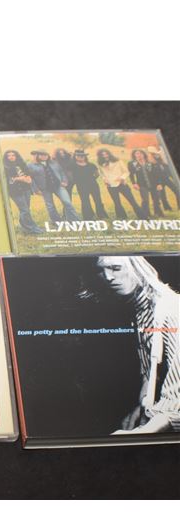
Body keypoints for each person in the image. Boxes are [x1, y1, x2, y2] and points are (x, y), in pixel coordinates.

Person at [95, 256, 179, 434]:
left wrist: (142, 433)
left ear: (138, 267)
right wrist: (142, 408)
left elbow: (176, 398)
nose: (108, 277)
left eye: (116, 268)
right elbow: (151, 370)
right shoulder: (141, 309)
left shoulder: (170, 309)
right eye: (101, 270)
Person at [27, 149, 80, 222]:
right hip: (45, 188)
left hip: (58, 186)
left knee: (67, 202)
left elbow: (61, 172)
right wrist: (36, 189)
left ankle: (74, 220)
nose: (44, 156)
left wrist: (64, 181)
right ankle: (56, 221)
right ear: (37, 156)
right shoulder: (30, 165)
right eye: (41, 155)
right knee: (50, 206)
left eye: (45, 155)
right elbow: (30, 178)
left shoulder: (54, 163)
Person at [96, 148, 145, 219]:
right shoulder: (100, 164)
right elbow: (102, 174)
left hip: (122, 184)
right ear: (100, 156)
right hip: (110, 186)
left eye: (106, 154)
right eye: (102, 155)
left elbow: (126, 171)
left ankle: (143, 217)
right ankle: (122, 217)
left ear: (109, 153)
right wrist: (105, 180)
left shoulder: (118, 161)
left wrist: (122, 178)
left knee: (132, 201)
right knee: (117, 203)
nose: (105, 156)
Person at [2, 150, 42, 234]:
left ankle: (24, 226)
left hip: (26, 189)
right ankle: (31, 229)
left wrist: (28, 178)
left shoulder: (21, 164)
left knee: (26, 209)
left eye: (13, 155)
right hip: (15, 191)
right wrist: (19, 179)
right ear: (6, 157)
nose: (11, 157)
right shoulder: (5, 167)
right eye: (9, 155)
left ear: (16, 156)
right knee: (24, 210)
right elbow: (8, 180)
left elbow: (28, 174)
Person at [69, 149, 109, 219]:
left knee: (98, 200)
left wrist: (92, 179)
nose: (81, 157)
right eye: (78, 156)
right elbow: (70, 176)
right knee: (85, 201)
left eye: (82, 156)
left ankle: (101, 215)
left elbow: (97, 174)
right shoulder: (72, 165)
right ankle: (88, 216)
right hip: (81, 186)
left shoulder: (91, 165)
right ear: (75, 156)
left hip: (93, 185)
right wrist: (78, 181)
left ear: (85, 156)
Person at [128, 149, 164, 217]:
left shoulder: (150, 162)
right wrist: (134, 183)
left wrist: (159, 184)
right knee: (145, 200)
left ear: (144, 154)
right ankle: (145, 214)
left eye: (141, 153)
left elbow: (157, 174)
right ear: (134, 155)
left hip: (154, 183)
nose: (139, 155)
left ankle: (158, 213)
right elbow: (131, 174)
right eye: (137, 153)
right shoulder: (132, 164)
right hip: (142, 185)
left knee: (156, 199)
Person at [148, 146, 179, 210]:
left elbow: (168, 171)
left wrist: (174, 178)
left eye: (156, 154)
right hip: (158, 181)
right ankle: (167, 207)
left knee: (177, 190)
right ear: (151, 155)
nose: (156, 155)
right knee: (163, 195)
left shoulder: (162, 162)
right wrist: (157, 183)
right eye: (154, 154)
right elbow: (152, 174)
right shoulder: (151, 163)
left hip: (166, 179)